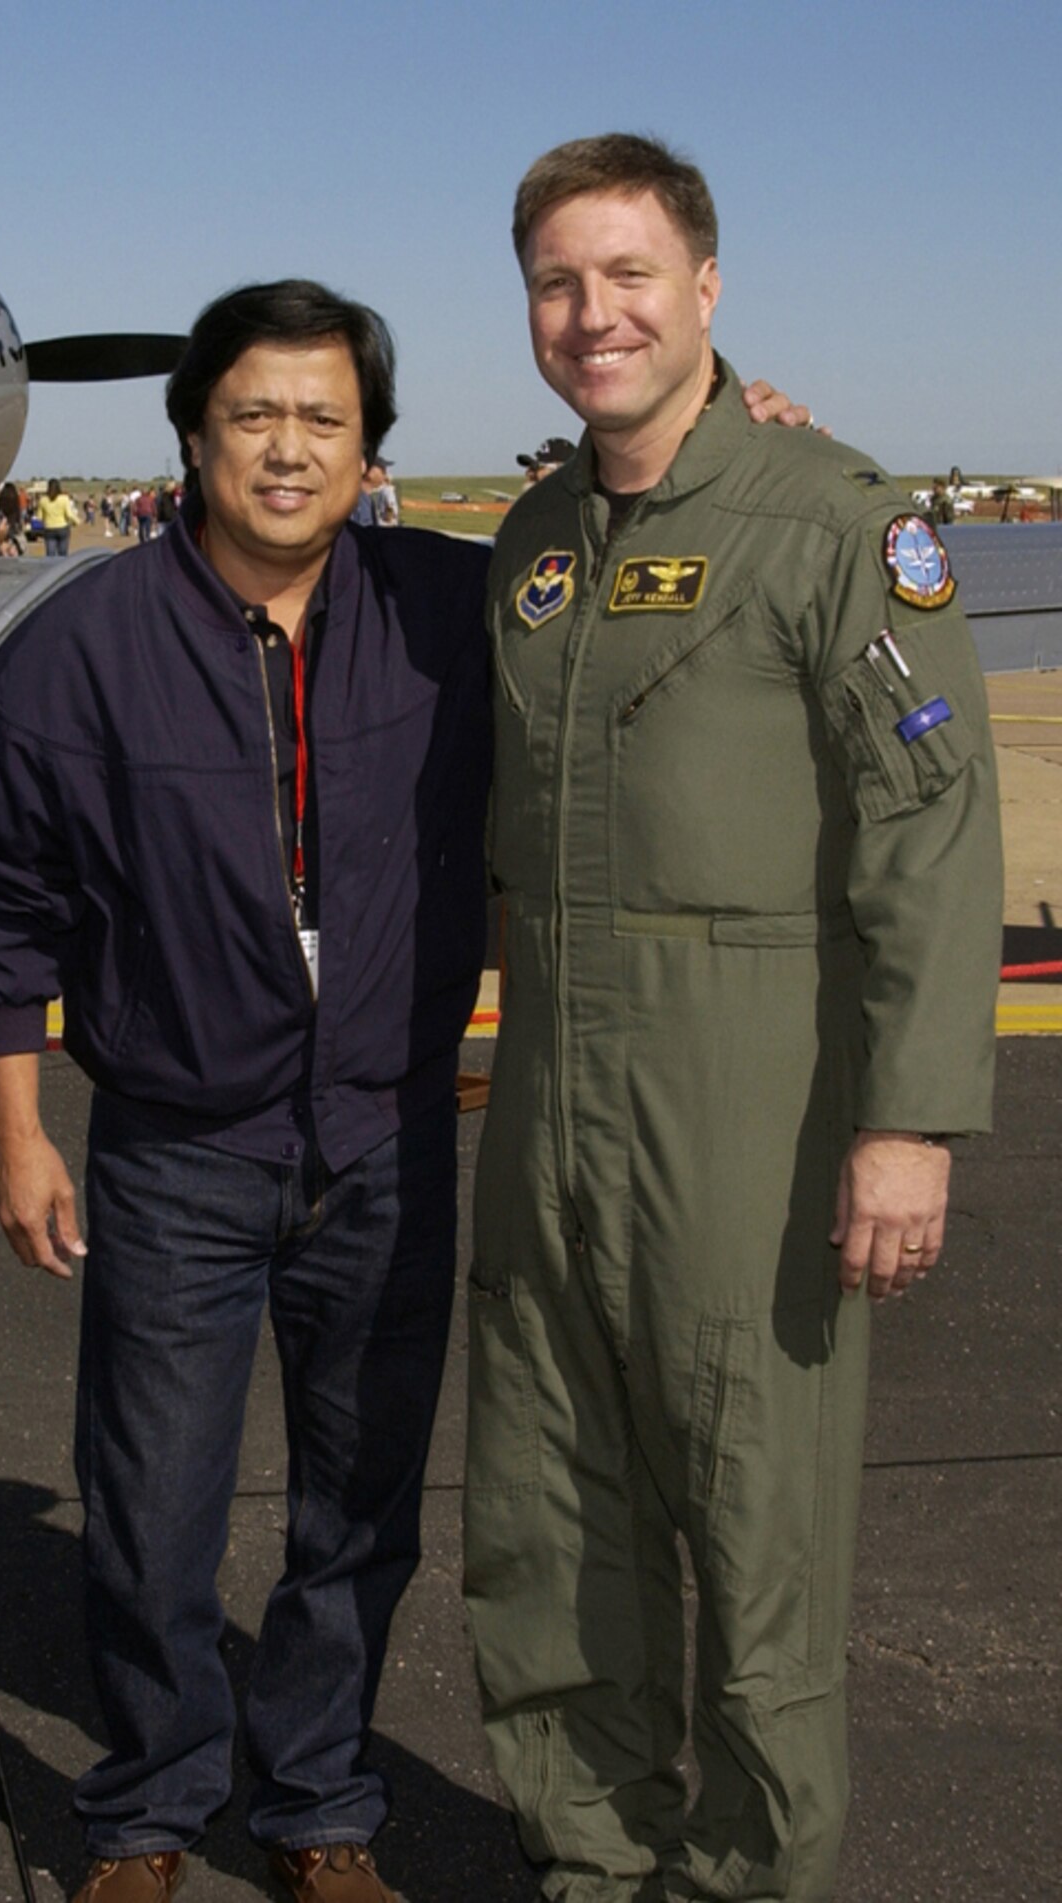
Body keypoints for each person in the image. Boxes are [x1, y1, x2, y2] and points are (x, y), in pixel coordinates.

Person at [464, 133, 1003, 1903]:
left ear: (707, 286)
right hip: (552, 1089)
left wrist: (909, 1116)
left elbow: (929, 826)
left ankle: (750, 1876)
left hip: (748, 1079)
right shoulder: (533, 537)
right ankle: (592, 1857)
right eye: (559, 280)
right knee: (550, 1509)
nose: (592, 312)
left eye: (628, 274)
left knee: (755, 1521)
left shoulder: (841, 521)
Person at [0, 280, 493, 1903]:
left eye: (322, 419)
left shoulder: (450, 611)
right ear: (194, 434)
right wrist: (19, 1129)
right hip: (177, 1147)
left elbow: (644, 573)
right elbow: (3, 904)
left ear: (371, 447)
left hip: (392, 1133)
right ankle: (146, 1803)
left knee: (361, 1501)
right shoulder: (75, 651)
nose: (287, 447)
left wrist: (744, 420)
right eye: (253, 414)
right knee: (151, 1501)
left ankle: (320, 1796)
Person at [37, 478, 80, 557]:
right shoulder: (64, 498)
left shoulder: (43, 500)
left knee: (50, 554)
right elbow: (69, 514)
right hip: (62, 528)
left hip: (49, 529)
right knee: (63, 554)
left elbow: (39, 517)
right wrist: (77, 521)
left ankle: (51, 568)